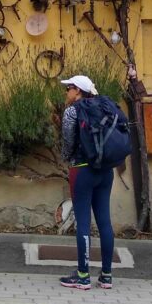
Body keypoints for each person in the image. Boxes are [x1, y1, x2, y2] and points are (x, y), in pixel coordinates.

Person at [58, 74, 115, 291]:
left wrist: (67, 158)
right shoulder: (104, 107)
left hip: (82, 170)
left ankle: (82, 276)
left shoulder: (73, 111)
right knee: (105, 222)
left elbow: (68, 141)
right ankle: (106, 276)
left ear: (78, 91)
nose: (67, 92)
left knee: (83, 222)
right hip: (105, 171)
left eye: (69, 88)